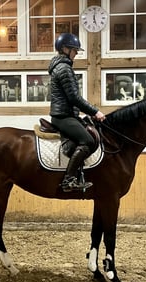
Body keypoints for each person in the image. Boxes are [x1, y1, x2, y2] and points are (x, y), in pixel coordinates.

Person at [48, 33, 106, 192]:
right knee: (87, 141)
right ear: (65, 49)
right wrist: (95, 112)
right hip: (63, 117)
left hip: (67, 114)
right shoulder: (64, 68)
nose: (76, 54)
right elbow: (74, 97)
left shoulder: (61, 67)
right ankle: (68, 180)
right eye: (74, 50)